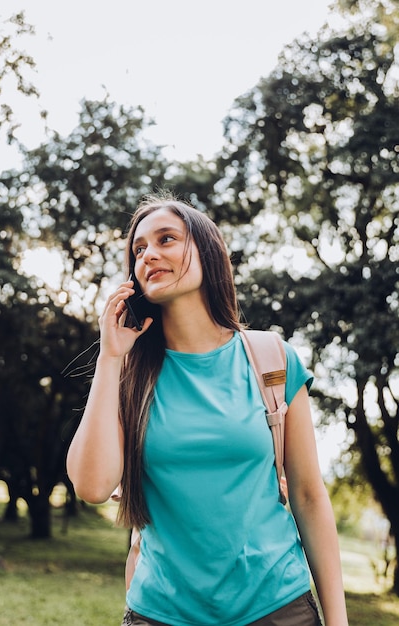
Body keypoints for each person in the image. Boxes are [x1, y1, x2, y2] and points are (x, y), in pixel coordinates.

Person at [66, 192, 349, 626]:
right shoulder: (128, 375)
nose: (149, 255)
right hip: (162, 614)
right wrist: (109, 357)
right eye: (139, 248)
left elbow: (310, 497)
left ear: (207, 251)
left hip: (277, 609)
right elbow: (91, 487)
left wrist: (338, 619)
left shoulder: (273, 359)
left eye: (166, 239)